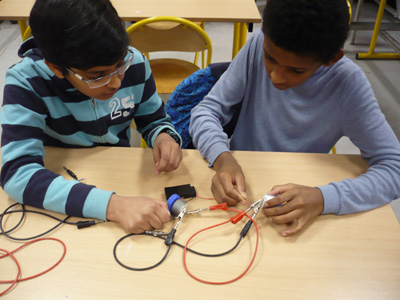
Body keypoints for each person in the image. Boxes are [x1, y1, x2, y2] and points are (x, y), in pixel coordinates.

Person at [189, 0, 400, 237]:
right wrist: (222, 159)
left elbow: (394, 168)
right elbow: (205, 111)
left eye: (296, 70)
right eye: (270, 58)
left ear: (331, 58)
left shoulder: (347, 85)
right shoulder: (259, 43)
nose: (277, 77)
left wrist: (323, 198)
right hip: (244, 187)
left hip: (301, 198)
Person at [0, 0, 183, 234]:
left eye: (120, 65)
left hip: (120, 176)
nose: (117, 82)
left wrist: (164, 137)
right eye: (97, 76)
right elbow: (17, 173)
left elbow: (154, 120)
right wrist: (114, 206)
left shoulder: (134, 62)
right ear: (56, 68)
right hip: (62, 187)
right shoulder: (26, 82)